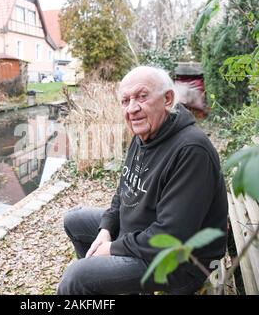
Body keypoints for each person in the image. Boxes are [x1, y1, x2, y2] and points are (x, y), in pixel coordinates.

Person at [57, 66, 228, 295]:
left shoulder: (191, 151)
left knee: (76, 277)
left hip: (180, 263)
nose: (132, 108)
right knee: (75, 220)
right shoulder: (144, 135)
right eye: (125, 101)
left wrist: (112, 248)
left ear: (167, 99)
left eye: (142, 96)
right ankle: (104, 284)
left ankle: (96, 281)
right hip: (142, 233)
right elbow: (123, 193)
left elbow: (171, 236)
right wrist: (106, 229)